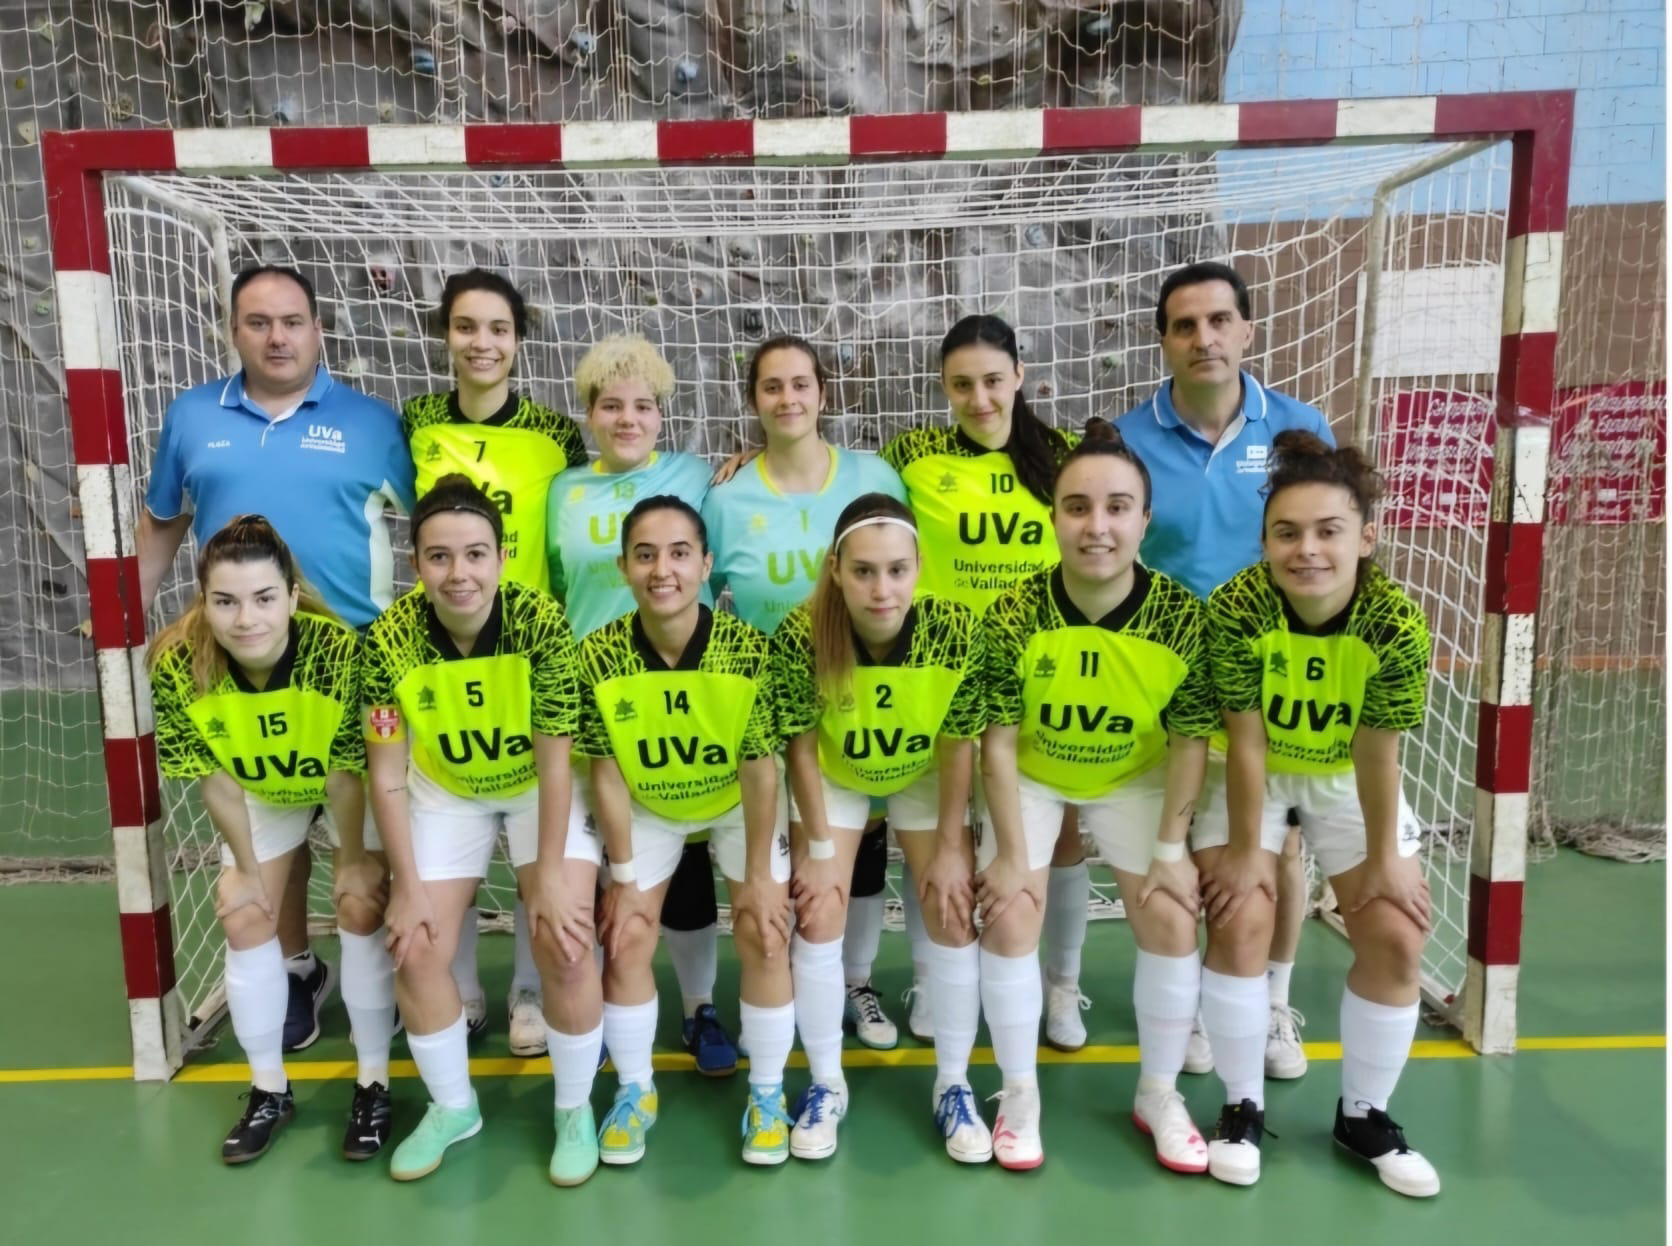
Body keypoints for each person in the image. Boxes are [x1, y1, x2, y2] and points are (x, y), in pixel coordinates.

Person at [138, 264, 415, 1056]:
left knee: (375, 828)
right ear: (234, 331)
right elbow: (164, 522)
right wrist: (120, 614)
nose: (277, 336)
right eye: (258, 322)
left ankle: (382, 966)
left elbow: (430, 517)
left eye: (292, 320)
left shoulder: (369, 422)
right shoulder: (194, 416)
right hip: (243, 665)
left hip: (355, 665)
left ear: (318, 328)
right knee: (271, 833)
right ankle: (296, 968)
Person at [1191, 431, 1439, 1197]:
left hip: (1343, 775)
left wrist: (1388, 859)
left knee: (1397, 932)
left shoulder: (1394, 625)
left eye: (1329, 531)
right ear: (1264, 540)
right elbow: (1245, 739)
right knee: (1240, 916)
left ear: (1365, 536)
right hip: (1251, 770)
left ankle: (1363, 1115)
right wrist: (1242, 847)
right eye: (1287, 533)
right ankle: (1241, 1104)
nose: (1307, 550)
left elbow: (1376, 752)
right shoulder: (1236, 608)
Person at [976, 420, 1219, 1171]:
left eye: (1118, 508)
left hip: (1134, 779)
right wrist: (1015, 854)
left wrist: (1172, 850)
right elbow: (1000, 743)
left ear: (1145, 520)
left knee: (1173, 915)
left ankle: (1158, 1091)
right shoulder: (1012, 615)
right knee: (1011, 913)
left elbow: (1189, 743)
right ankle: (1019, 1094)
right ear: (1053, 517)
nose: (1097, 525)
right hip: (1036, 775)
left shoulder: (1180, 618)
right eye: (1078, 507)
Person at [1116, 261, 1338, 1080]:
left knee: (1275, 848)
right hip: (1163, 678)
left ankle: (1270, 1003)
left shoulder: (1298, 430)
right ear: (1164, 339)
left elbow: (1327, 547)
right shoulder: (1125, 439)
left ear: (1247, 329)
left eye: (1218, 321)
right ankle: (1211, 1000)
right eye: (1184, 325)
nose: (1203, 338)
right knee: (1191, 847)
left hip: (1272, 675)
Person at [361, 476, 601, 1184]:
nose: (458, 573)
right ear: (416, 564)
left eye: (474, 554)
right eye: (438, 557)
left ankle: (573, 1107)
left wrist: (551, 877)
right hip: (445, 790)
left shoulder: (541, 622)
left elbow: (557, 761)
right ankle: (453, 1107)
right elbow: (387, 773)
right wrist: (406, 886)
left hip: (538, 787)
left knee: (564, 936)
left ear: (501, 556)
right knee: (415, 944)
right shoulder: (388, 641)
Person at [148, 516, 389, 1163]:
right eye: (225, 600)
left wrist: (356, 858)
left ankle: (373, 1082)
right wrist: (246, 871)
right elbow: (218, 781)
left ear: (289, 594)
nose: (245, 617)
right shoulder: (177, 665)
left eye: (262, 598)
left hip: (348, 780)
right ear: (205, 600)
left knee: (360, 905)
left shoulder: (338, 651)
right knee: (246, 914)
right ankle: (269, 1091)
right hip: (261, 786)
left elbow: (345, 774)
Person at [880, 314, 1090, 1053]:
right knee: (937, 838)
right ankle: (936, 978)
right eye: (962, 385)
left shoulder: (1063, 457)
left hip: (1042, 675)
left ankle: (1060, 984)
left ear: (1019, 377)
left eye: (992, 381)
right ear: (943, 388)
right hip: (939, 677)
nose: (979, 398)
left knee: (1056, 834)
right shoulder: (912, 455)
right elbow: (845, 495)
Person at [704, 336, 910, 1050]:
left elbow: (909, 578)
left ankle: (857, 980)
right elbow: (700, 606)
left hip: (862, 704)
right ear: (753, 401)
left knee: (865, 841)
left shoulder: (873, 474)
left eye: (800, 384)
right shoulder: (726, 495)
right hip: (769, 714)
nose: (787, 399)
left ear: (822, 392)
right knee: (792, 854)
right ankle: (789, 982)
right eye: (771, 387)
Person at [402, 269, 589, 1057]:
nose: (482, 343)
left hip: (530, 658)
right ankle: (467, 990)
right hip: (441, 661)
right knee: (453, 825)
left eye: (498, 329)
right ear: (445, 334)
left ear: (519, 339)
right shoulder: (410, 421)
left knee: (533, 832)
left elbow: (596, 506)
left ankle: (527, 993)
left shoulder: (555, 433)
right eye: (467, 327)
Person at [576, 497, 793, 1166]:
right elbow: (606, 774)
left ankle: (768, 1094)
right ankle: (636, 1090)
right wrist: (622, 875)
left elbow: (761, 772)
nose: (661, 570)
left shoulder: (747, 652)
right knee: (628, 932)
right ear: (623, 568)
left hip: (734, 802)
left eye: (678, 554)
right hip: (648, 804)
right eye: (645, 555)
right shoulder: (599, 657)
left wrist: (758, 876)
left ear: (706, 566)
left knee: (763, 928)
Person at [546, 334, 740, 1075]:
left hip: (677, 697)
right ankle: (591, 1011)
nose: (627, 419)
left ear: (662, 416)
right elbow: (553, 590)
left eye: (643, 407)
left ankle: (699, 1009)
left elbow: (719, 553)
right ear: (589, 414)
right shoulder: (562, 491)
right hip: (594, 696)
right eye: (611, 405)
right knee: (600, 859)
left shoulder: (698, 477)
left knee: (683, 859)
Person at [771, 494, 986, 1161]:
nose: (881, 588)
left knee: (951, 908)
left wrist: (951, 846)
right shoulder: (801, 633)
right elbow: (801, 748)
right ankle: (826, 1083)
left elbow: (958, 745)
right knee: (818, 908)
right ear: (835, 569)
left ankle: (954, 1084)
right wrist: (818, 846)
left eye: (897, 570)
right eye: (864, 571)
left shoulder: (952, 629)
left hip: (922, 771)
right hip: (836, 771)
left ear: (920, 566)